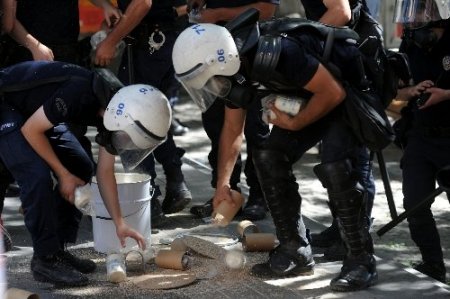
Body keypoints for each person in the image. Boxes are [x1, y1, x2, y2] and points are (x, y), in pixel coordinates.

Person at [172, 12, 378, 291]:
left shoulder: (280, 52)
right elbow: (233, 131)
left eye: (207, 78)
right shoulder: (235, 69)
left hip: (343, 95)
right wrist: (222, 185)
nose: (210, 87)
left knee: (336, 166)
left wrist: (295, 122)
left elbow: (333, 94)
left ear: (218, 62)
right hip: (309, 97)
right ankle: (295, 250)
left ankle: (361, 261)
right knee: (268, 156)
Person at [0, 60, 171, 286]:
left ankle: (58, 249)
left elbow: (104, 172)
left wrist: (119, 223)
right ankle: (45, 259)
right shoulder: (78, 92)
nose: (124, 143)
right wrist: (62, 174)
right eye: (127, 138)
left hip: (34, 112)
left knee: (81, 167)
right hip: (7, 106)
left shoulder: (116, 108)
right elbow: (31, 131)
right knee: (36, 175)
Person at [93, 0, 192, 228]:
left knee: (134, 120)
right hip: (161, 40)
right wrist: (108, 7)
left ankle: (150, 199)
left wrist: (110, 41)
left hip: (150, 43)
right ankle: (176, 181)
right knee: (155, 116)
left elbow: (142, 3)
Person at [300, 0, 378, 262]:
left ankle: (356, 237)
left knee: (352, 157)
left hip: (355, 62)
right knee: (334, 157)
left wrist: (302, 41)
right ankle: (340, 228)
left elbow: (341, 13)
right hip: (336, 59)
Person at [186, 0, 277, 221]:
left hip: (255, 53)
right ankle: (224, 191)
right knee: (217, 126)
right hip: (214, 54)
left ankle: (260, 194)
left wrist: (219, 13)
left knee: (258, 129)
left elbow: (267, 10)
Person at [393, 0, 450, 283]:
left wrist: (447, 94)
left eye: (420, 9)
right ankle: (432, 264)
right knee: (414, 202)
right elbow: (396, 87)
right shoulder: (411, 43)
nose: (413, 16)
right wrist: (411, 90)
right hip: (421, 135)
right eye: (411, 8)